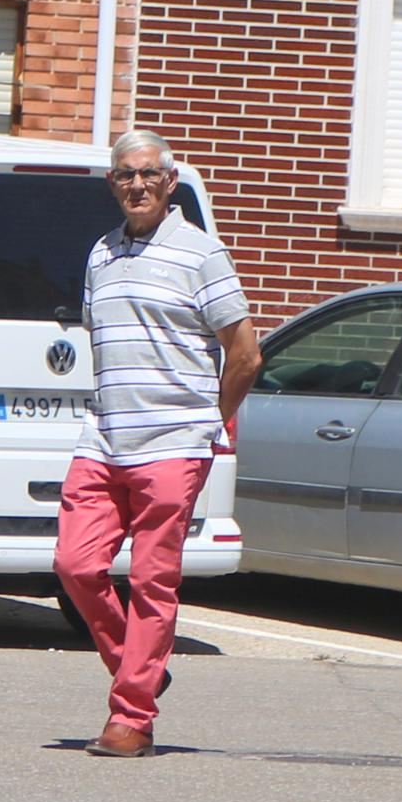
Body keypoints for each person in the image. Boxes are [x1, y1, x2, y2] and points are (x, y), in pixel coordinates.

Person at [57, 129, 258, 758]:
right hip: (105, 437)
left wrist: (211, 420)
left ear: (170, 182)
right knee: (76, 565)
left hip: (174, 442)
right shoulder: (100, 254)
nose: (136, 185)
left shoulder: (201, 254)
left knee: (152, 578)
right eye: (124, 175)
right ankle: (138, 665)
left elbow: (247, 354)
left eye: (148, 174)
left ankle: (131, 716)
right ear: (112, 183)